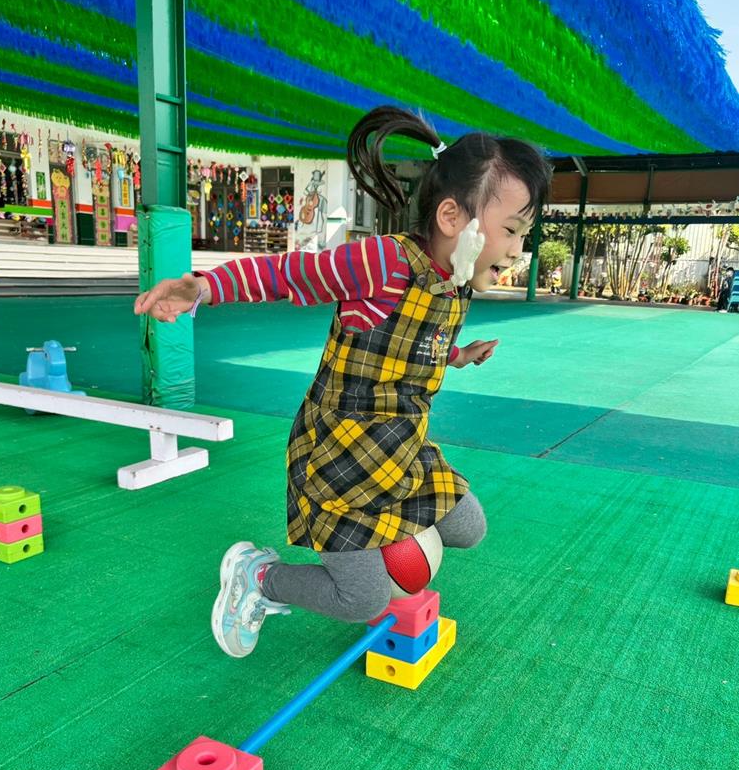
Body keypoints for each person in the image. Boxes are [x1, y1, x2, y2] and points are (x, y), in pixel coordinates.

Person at [134, 106, 552, 658]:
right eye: (512, 230)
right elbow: (289, 274)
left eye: (524, 234)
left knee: (468, 527)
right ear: (453, 217)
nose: (518, 249)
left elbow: (415, 344)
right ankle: (259, 579)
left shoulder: (455, 283)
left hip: (400, 449)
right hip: (339, 458)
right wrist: (205, 288)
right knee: (362, 600)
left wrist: (456, 356)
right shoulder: (383, 262)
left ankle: (378, 540)